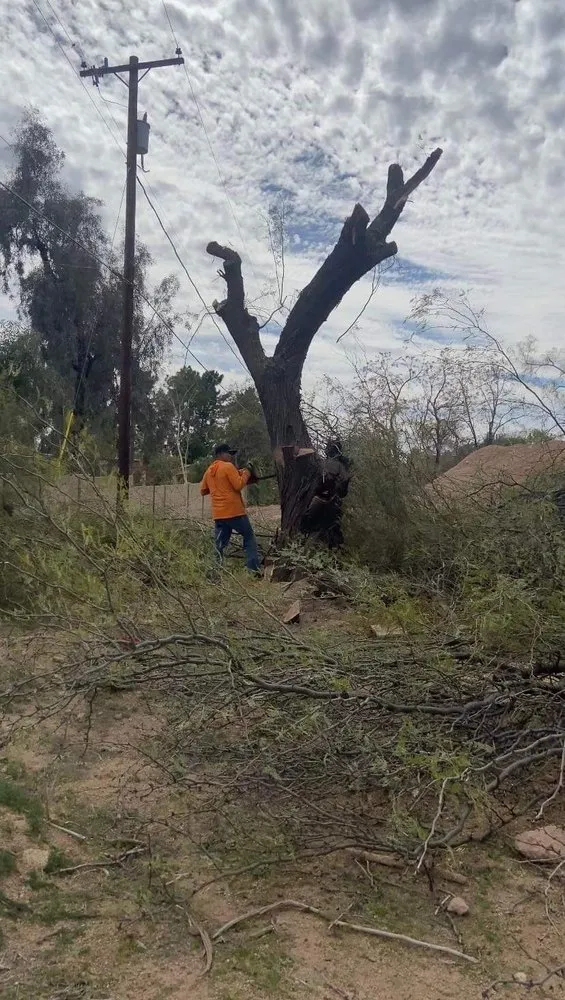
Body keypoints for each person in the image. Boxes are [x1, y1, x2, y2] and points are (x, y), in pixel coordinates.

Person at [200, 444, 261, 574]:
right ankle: (253, 571)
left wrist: (219, 486)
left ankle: (215, 573)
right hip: (234, 512)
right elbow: (238, 485)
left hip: (219, 515)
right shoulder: (228, 466)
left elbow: (203, 490)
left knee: (219, 546)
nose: (231, 456)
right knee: (249, 537)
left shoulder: (209, 471)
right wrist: (247, 472)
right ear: (221, 454)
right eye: (229, 453)